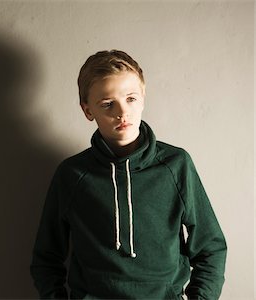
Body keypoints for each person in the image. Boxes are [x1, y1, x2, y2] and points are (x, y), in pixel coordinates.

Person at [29, 50, 227, 299]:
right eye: (107, 104)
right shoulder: (72, 174)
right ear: (88, 110)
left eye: (130, 98)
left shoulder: (176, 165)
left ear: (143, 98)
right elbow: (46, 258)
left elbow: (211, 247)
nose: (122, 112)